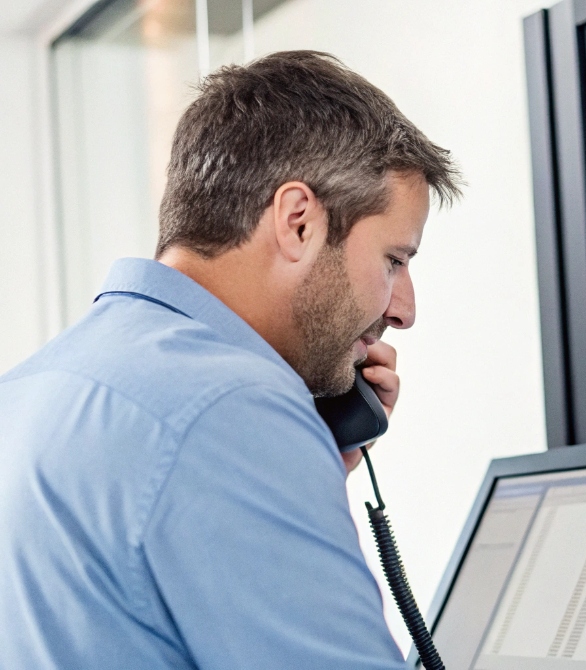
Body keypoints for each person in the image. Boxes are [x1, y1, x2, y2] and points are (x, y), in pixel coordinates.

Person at [0, 51, 461, 669]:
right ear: (298, 222)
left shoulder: (35, 384)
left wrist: (312, 475)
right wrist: (278, 453)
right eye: (394, 261)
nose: (403, 310)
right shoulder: (232, 410)